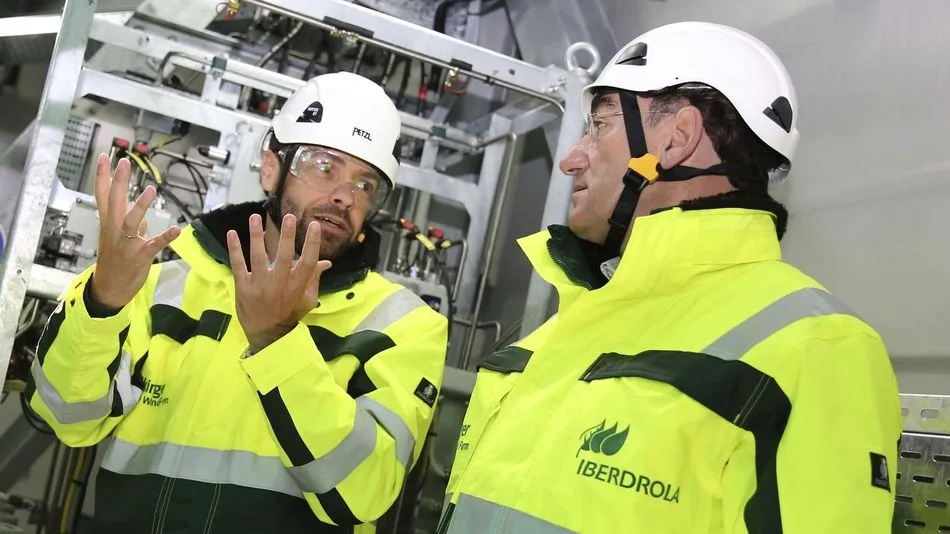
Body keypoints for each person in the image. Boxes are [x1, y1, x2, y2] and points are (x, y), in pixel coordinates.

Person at [440, 21, 901, 534]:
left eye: (600, 125)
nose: (571, 160)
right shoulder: (567, 325)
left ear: (677, 139)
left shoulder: (818, 348)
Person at [28, 72, 448, 533]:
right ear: (271, 168)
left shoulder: (403, 325)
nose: (344, 197)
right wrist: (101, 303)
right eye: (324, 166)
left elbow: (365, 491)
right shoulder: (163, 284)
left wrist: (278, 344)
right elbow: (67, 418)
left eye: (366, 184)